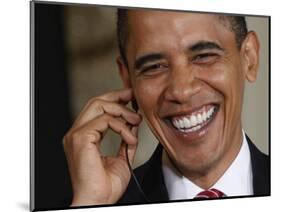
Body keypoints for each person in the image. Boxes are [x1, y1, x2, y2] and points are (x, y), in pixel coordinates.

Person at [63, 8, 269, 206]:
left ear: (249, 59)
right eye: (154, 67)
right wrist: (92, 202)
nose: (181, 91)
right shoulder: (98, 202)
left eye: (203, 56)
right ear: (128, 79)